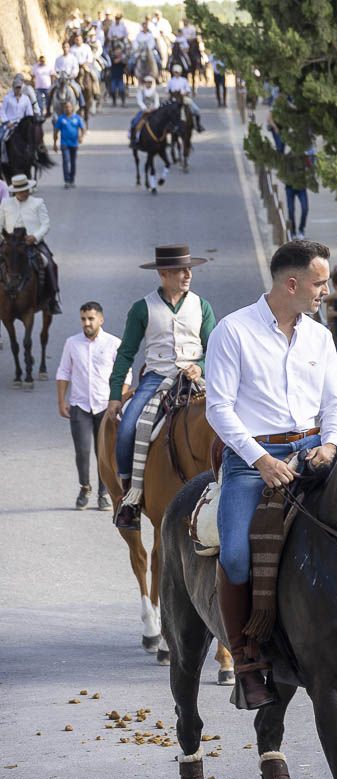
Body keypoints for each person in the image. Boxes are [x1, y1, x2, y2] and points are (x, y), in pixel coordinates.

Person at [205, 239, 337, 709]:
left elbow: (336, 404)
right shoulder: (233, 331)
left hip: (314, 451)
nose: (325, 290)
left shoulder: (319, 337)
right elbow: (218, 409)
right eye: (320, 282)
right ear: (292, 283)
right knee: (236, 556)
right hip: (253, 460)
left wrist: (330, 445)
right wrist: (260, 461)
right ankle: (247, 660)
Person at [106, 245, 216, 531]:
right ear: (163, 274)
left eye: (189, 269)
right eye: (181, 270)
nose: (187, 275)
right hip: (157, 377)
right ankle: (130, 499)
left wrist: (200, 366)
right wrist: (115, 395)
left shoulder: (202, 306)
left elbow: (215, 349)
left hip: (195, 377)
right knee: (128, 428)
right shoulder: (142, 308)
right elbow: (126, 353)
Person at [56, 301, 129, 511]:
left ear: (101, 320)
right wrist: (61, 401)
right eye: (83, 319)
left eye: (91, 319)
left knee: (103, 452)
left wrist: (119, 399)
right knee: (82, 451)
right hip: (80, 405)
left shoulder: (113, 343)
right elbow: (64, 372)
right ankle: (84, 487)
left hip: (106, 407)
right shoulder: (72, 343)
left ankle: (103, 493)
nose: (87, 323)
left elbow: (126, 373)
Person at [0, 174, 59, 314]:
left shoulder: (38, 203)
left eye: (25, 190)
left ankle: (52, 299)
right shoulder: (6, 204)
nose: (23, 193)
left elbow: (45, 224)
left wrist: (35, 236)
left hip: (32, 243)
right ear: (15, 192)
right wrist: (4, 239)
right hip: (10, 243)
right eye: (20, 191)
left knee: (49, 263)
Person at [53, 101, 86, 188]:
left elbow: (83, 128)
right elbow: (56, 131)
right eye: (66, 107)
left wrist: (81, 137)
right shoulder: (61, 119)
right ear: (64, 108)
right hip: (64, 144)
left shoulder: (77, 118)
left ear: (72, 108)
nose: (68, 109)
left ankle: (72, 180)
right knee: (66, 161)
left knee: (73, 162)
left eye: (69, 107)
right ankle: (67, 180)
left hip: (74, 144)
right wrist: (54, 144)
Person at [165, 64, 204, 131]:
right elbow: (167, 90)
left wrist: (184, 93)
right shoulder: (170, 81)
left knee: (196, 110)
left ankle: (197, 125)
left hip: (183, 98)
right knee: (164, 111)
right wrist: (172, 93)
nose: (177, 74)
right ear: (173, 72)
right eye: (175, 72)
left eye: (178, 72)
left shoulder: (184, 80)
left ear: (180, 72)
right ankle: (166, 127)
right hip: (173, 99)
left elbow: (188, 90)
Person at [130, 75, 159, 141]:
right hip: (144, 111)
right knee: (135, 122)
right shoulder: (141, 91)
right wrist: (145, 108)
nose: (148, 84)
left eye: (150, 82)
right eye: (147, 82)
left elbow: (157, 102)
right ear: (145, 83)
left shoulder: (155, 92)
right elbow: (139, 101)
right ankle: (134, 137)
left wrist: (154, 108)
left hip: (153, 110)